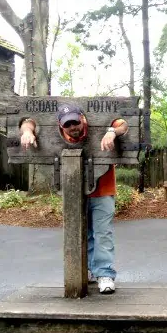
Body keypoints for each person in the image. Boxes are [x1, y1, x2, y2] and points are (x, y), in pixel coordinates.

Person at [19, 103, 128, 294]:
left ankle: (104, 273)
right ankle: (84, 270)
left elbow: (125, 124)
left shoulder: (100, 122)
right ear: (61, 126)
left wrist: (112, 132)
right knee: (81, 232)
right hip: (73, 188)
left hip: (103, 188)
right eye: (67, 125)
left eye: (75, 123)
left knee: (102, 232)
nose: (73, 128)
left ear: (83, 119)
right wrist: (27, 131)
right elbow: (28, 121)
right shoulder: (60, 134)